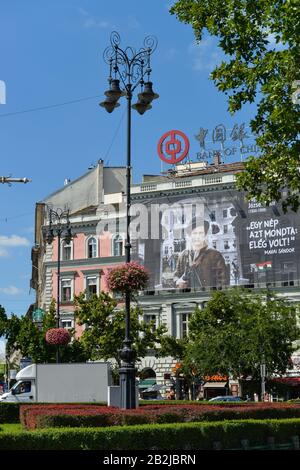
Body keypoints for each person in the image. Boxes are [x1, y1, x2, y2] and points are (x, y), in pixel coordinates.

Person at [174, 219, 229, 289]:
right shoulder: (182, 255)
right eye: (194, 233)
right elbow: (176, 275)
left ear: (205, 234)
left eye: (201, 233)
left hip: (208, 298)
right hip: (187, 298)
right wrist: (178, 282)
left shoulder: (215, 255)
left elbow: (222, 282)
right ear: (190, 235)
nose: (198, 236)